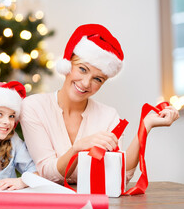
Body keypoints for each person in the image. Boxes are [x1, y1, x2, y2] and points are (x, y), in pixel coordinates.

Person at [20, 24, 180, 185]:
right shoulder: (33, 107)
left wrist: (146, 126)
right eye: (82, 69)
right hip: (49, 204)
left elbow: (120, 175)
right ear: (68, 64)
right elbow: (48, 173)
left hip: (96, 204)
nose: (85, 83)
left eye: (98, 79)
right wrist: (78, 148)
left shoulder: (109, 116)